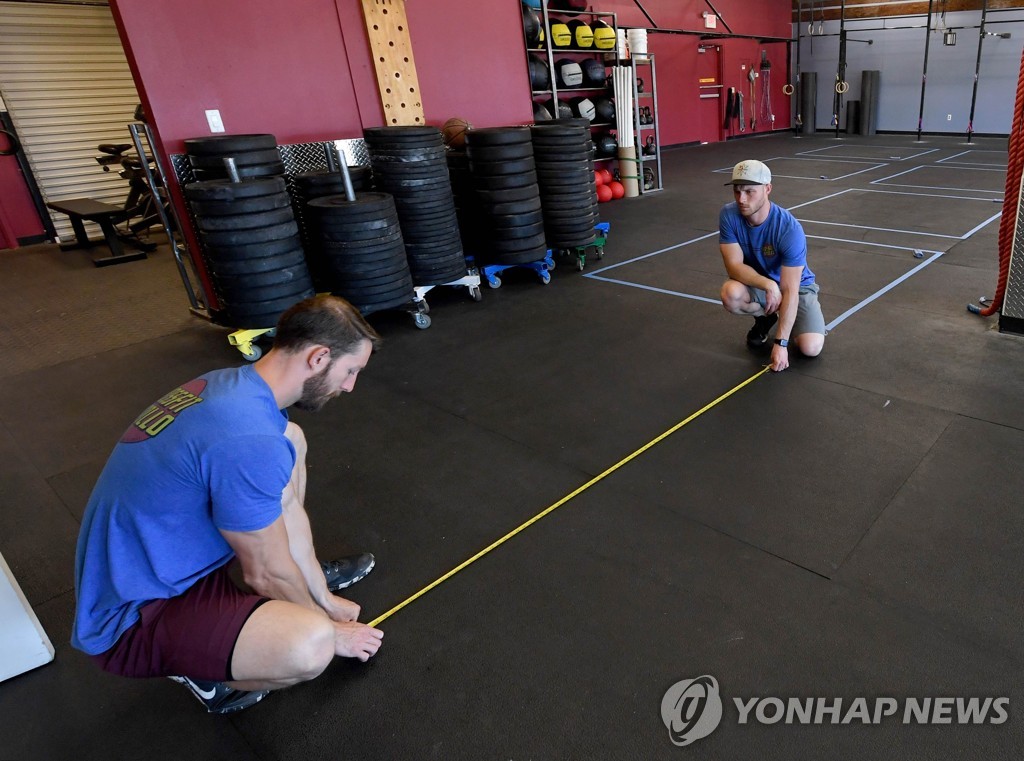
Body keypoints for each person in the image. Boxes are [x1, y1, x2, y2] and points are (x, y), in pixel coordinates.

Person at [72, 294, 385, 714]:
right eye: (350, 371)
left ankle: (310, 583)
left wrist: (319, 595)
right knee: (311, 646)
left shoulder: (231, 385)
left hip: (167, 562)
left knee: (290, 439)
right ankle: (204, 675)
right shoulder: (247, 438)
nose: (349, 386)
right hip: (137, 614)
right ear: (318, 357)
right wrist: (330, 628)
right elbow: (264, 574)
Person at [719, 159, 825, 372]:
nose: (741, 199)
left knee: (810, 348)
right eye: (737, 191)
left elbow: (790, 289)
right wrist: (768, 285)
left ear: (767, 189)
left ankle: (796, 320)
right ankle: (765, 318)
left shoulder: (789, 228)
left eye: (750, 191)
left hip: (797, 288)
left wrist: (780, 344)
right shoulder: (728, 215)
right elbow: (734, 267)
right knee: (731, 294)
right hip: (762, 284)